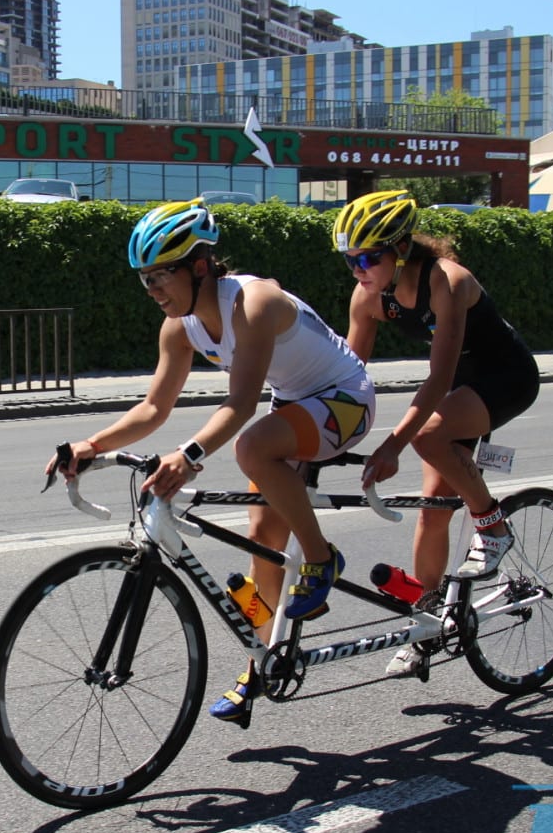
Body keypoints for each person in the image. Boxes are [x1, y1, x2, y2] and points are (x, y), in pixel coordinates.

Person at [48, 198, 375, 723]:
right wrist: (92, 445)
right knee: (263, 547)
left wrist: (190, 455)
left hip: (347, 398)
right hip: (293, 405)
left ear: (200, 267)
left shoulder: (254, 301)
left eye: (160, 276)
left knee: (251, 448)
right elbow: (154, 408)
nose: (152, 290)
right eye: (143, 279)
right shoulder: (179, 325)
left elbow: (241, 405)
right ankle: (260, 664)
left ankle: (321, 558)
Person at [334, 190, 540, 677]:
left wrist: (391, 445)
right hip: (461, 390)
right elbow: (348, 377)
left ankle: (492, 525)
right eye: (350, 260)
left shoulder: (448, 281)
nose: (358, 268)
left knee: (427, 437)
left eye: (368, 257)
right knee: (431, 514)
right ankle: (427, 626)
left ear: (400, 249)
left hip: (506, 378)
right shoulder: (369, 297)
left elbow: (440, 377)